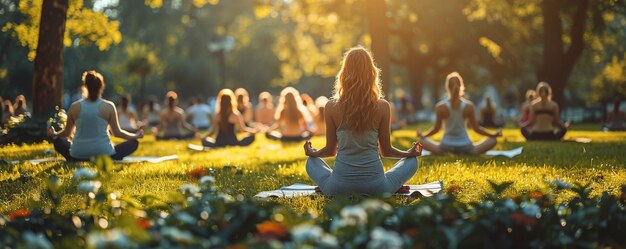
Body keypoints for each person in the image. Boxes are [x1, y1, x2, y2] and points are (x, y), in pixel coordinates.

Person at [304, 47, 420, 196]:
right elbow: (386, 151)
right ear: (371, 73)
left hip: (338, 188)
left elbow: (330, 151)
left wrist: (313, 153)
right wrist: (408, 153)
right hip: (378, 188)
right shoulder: (383, 106)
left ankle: (327, 184)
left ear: (344, 73)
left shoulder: (331, 107)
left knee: (311, 162)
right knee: (412, 162)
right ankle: (393, 186)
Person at [47, 71, 143, 161]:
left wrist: (55, 134)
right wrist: (136, 135)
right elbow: (117, 132)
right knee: (134, 143)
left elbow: (67, 133)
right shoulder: (108, 106)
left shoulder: (75, 106)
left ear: (85, 86)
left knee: (58, 141)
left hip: (77, 154)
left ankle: (79, 155)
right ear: (102, 87)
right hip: (105, 154)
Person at [417, 72, 501, 155]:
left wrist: (423, 135)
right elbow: (476, 129)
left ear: (447, 87)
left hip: (446, 146)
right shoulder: (469, 106)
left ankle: (441, 151)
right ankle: (471, 152)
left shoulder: (440, 106)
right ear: (461, 86)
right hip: (466, 146)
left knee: (421, 141)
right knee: (493, 140)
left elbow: (436, 129)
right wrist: (493, 135)